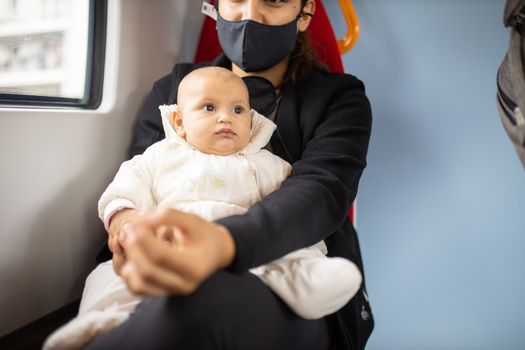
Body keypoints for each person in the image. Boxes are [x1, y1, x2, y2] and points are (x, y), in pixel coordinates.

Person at [87, 0, 374, 349]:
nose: (249, 14)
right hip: (171, 253)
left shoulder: (340, 97)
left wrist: (222, 243)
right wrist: (127, 224)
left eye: (273, 0)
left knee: (197, 303)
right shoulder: (174, 89)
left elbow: (320, 191)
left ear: (305, 14)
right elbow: (141, 177)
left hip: (286, 272)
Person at [43, 67, 362, 350]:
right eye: (209, 108)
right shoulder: (159, 157)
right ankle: (101, 323)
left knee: (294, 259)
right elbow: (126, 189)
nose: (226, 117)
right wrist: (125, 220)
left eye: (238, 110)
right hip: (171, 243)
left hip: (250, 255)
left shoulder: (268, 164)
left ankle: (306, 284)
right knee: (108, 278)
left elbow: (298, 208)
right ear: (179, 121)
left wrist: (308, 251)